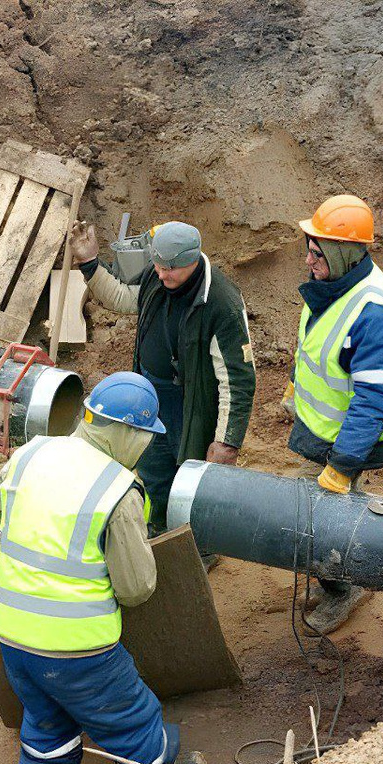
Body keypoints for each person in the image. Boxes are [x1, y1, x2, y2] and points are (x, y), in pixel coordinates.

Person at [0, 372, 207, 764]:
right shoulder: (117, 489)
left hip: (10, 633)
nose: (147, 447)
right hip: (77, 646)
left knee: (45, 714)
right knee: (124, 714)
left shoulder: (30, 453)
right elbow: (135, 588)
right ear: (128, 432)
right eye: (147, 437)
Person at [69, 220, 256, 535]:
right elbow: (123, 297)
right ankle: (158, 530)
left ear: (193, 260)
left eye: (171, 269)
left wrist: (226, 441)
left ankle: (200, 546)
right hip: (150, 396)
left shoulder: (221, 302)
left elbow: (236, 379)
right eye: (157, 265)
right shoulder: (157, 277)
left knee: (192, 479)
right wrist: (89, 262)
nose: (162, 274)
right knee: (153, 469)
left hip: (191, 405)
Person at [285, 195, 383, 634]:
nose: (308, 260)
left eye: (316, 253)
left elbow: (373, 399)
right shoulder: (334, 285)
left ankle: (345, 588)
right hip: (326, 430)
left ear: (340, 252)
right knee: (312, 519)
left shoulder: (372, 311)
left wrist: (341, 466)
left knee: (319, 524)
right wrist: (294, 387)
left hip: (350, 441)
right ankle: (337, 580)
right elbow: (320, 347)